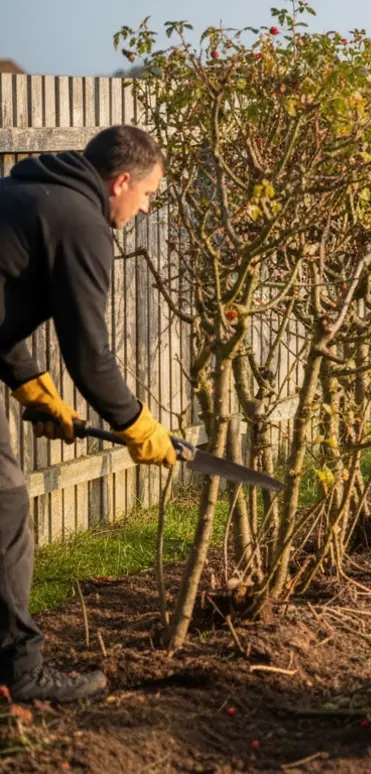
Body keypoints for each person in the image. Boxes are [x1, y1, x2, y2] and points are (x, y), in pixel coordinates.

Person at [0, 125, 179, 702]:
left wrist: (32, 388)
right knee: (4, 508)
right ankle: (20, 673)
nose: (145, 208)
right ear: (121, 181)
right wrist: (137, 425)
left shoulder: (28, 193)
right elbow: (90, 353)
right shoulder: (81, 221)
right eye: (147, 195)